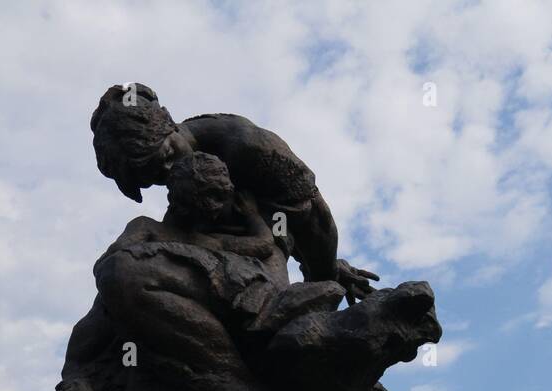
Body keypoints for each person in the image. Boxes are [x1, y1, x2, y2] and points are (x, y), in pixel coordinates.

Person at [90, 82, 378, 305]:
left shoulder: (250, 148)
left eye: (167, 155)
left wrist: (325, 279)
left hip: (258, 259)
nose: (169, 172)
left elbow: (315, 219)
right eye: (154, 178)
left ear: (169, 123)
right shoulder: (182, 181)